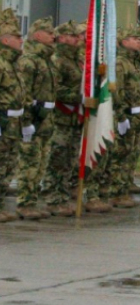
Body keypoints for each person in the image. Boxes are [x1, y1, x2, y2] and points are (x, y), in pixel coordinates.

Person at [15, 17, 57, 220]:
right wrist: (26, 123)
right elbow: (24, 94)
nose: (53, 36)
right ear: (38, 35)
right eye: (49, 33)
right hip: (33, 119)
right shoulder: (29, 61)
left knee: (41, 163)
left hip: (46, 120)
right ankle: (25, 202)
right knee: (30, 163)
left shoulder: (46, 60)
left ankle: (32, 200)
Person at [42, 20, 82, 217]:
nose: (77, 39)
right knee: (57, 158)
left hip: (75, 118)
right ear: (63, 38)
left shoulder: (76, 59)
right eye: (73, 36)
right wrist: (79, 96)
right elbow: (56, 89)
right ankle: (52, 197)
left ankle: (62, 195)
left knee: (69, 159)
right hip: (61, 117)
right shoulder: (58, 59)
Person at [106, 24, 140, 208]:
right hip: (126, 116)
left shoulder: (134, 62)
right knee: (120, 155)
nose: (139, 41)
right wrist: (122, 116)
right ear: (123, 42)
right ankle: (116, 192)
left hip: (137, 115)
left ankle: (124, 189)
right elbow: (117, 91)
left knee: (131, 155)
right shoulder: (120, 63)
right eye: (133, 38)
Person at [0, 8, 26, 223]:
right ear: (6, 40)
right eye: (17, 37)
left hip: (13, 121)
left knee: (8, 165)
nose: (21, 40)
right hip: (3, 120)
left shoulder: (14, 63)